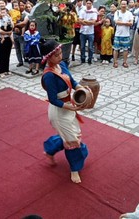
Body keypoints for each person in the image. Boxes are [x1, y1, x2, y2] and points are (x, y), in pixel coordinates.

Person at [40, 40, 88, 184]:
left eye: (60, 53)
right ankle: (74, 169)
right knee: (72, 139)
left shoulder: (62, 65)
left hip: (68, 106)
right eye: (56, 55)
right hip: (59, 112)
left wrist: (81, 88)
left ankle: (49, 150)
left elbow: (71, 81)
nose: (60, 57)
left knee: (68, 136)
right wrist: (70, 107)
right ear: (48, 58)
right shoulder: (48, 76)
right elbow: (53, 99)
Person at [113, 0, 134, 67]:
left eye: (125, 4)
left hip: (126, 34)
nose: (123, 5)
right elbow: (116, 22)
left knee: (126, 49)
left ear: (127, 5)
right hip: (118, 34)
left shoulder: (129, 13)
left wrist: (122, 23)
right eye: (122, 4)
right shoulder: (117, 12)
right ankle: (115, 62)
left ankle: (124, 62)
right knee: (116, 49)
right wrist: (126, 23)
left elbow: (131, 23)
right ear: (120, 5)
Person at [0, 8, 13, 77]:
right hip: (0, 39)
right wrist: (8, 32)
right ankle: (1, 71)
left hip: (8, 38)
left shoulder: (6, 19)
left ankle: (6, 69)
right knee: (2, 55)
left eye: (0, 12)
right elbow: (0, 31)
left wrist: (9, 32)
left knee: (7, 55)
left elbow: (11, 27)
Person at [78, 0, 97, 65]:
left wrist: (85, 21)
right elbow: (80, 20)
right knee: (82, 47)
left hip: (90, 32)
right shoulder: (82, 11)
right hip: (83, 32)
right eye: (87, 3)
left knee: (90, 47)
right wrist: (88, 22)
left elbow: (93, 22)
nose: (88, 5)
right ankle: (82, 58)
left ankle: (90, 59)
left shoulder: (94, 12)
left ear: (92, 4)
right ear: (85, 4)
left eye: (90, 3)